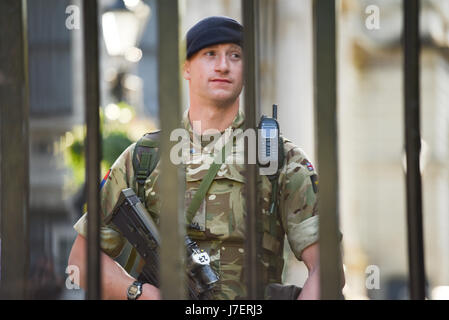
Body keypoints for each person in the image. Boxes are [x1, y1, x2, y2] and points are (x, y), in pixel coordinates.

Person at [68, 16, 343, 300]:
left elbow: (328, 268)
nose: (223, 65)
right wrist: (140, 293)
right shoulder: (145, 158)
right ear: (186, 67)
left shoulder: (278, 157)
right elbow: (81, 262)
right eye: (210, 54)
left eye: (235, 55)